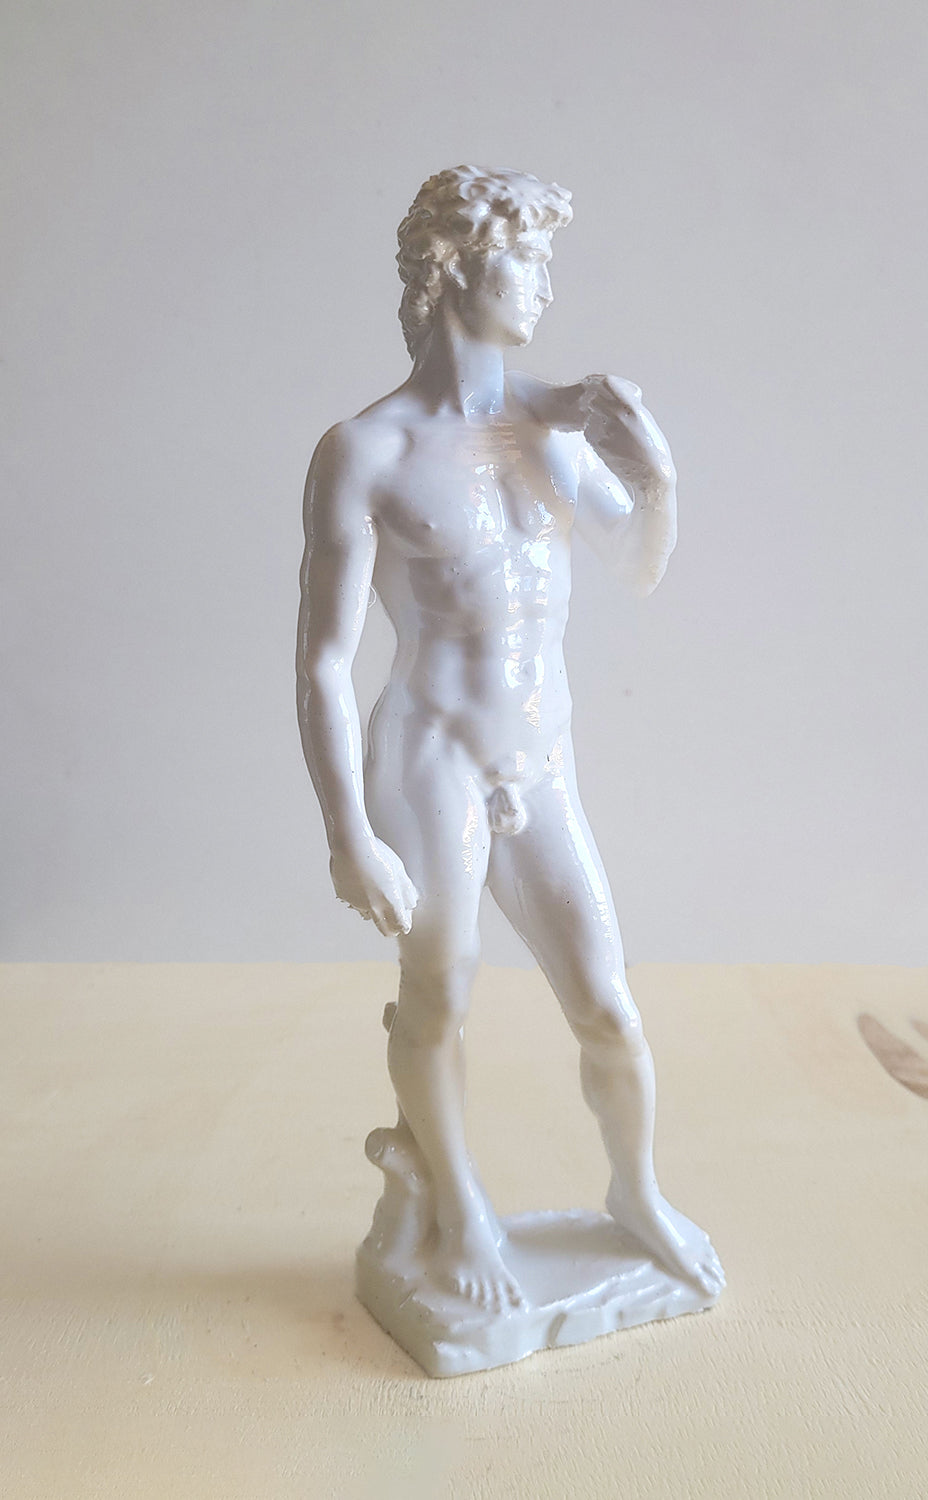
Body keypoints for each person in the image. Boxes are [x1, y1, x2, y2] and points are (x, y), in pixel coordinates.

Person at [296, 165, 724, 1311]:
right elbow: (326, 659)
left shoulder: (556, 425)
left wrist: (656, 475)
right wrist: (348, 836)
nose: (544, 283)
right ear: (455, 268)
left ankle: (636, 1192)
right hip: (430, 754)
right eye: (525, 257)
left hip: (542, 760)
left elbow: (635, 566)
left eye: (544, 259)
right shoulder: (367, 450)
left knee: (607, 1004)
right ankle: (458, 1205)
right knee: (440, 989)